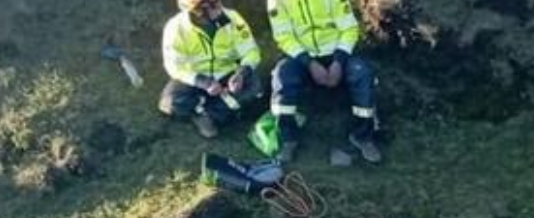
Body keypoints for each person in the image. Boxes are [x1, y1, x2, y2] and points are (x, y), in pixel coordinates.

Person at [268, 0, 380, 163]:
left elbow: (349, 28)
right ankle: (288, 139)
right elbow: (283, 37)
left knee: (362, 74)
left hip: (337, 51)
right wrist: (310, 63)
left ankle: (362, 137)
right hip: (302, 55)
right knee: (282, 77)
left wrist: (338, 62)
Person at [160, 0, 264, 140]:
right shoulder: (175, 28)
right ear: (199, 10)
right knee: (169, 102)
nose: (220, 7)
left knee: (254, 85)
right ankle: (212, 109)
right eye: (214, 3)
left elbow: (251, 52)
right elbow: (174, 66)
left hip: (228, 74)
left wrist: (241, 74)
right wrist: (202, 82)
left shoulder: (232, 18)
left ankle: (207, 114)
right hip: (195, 78)